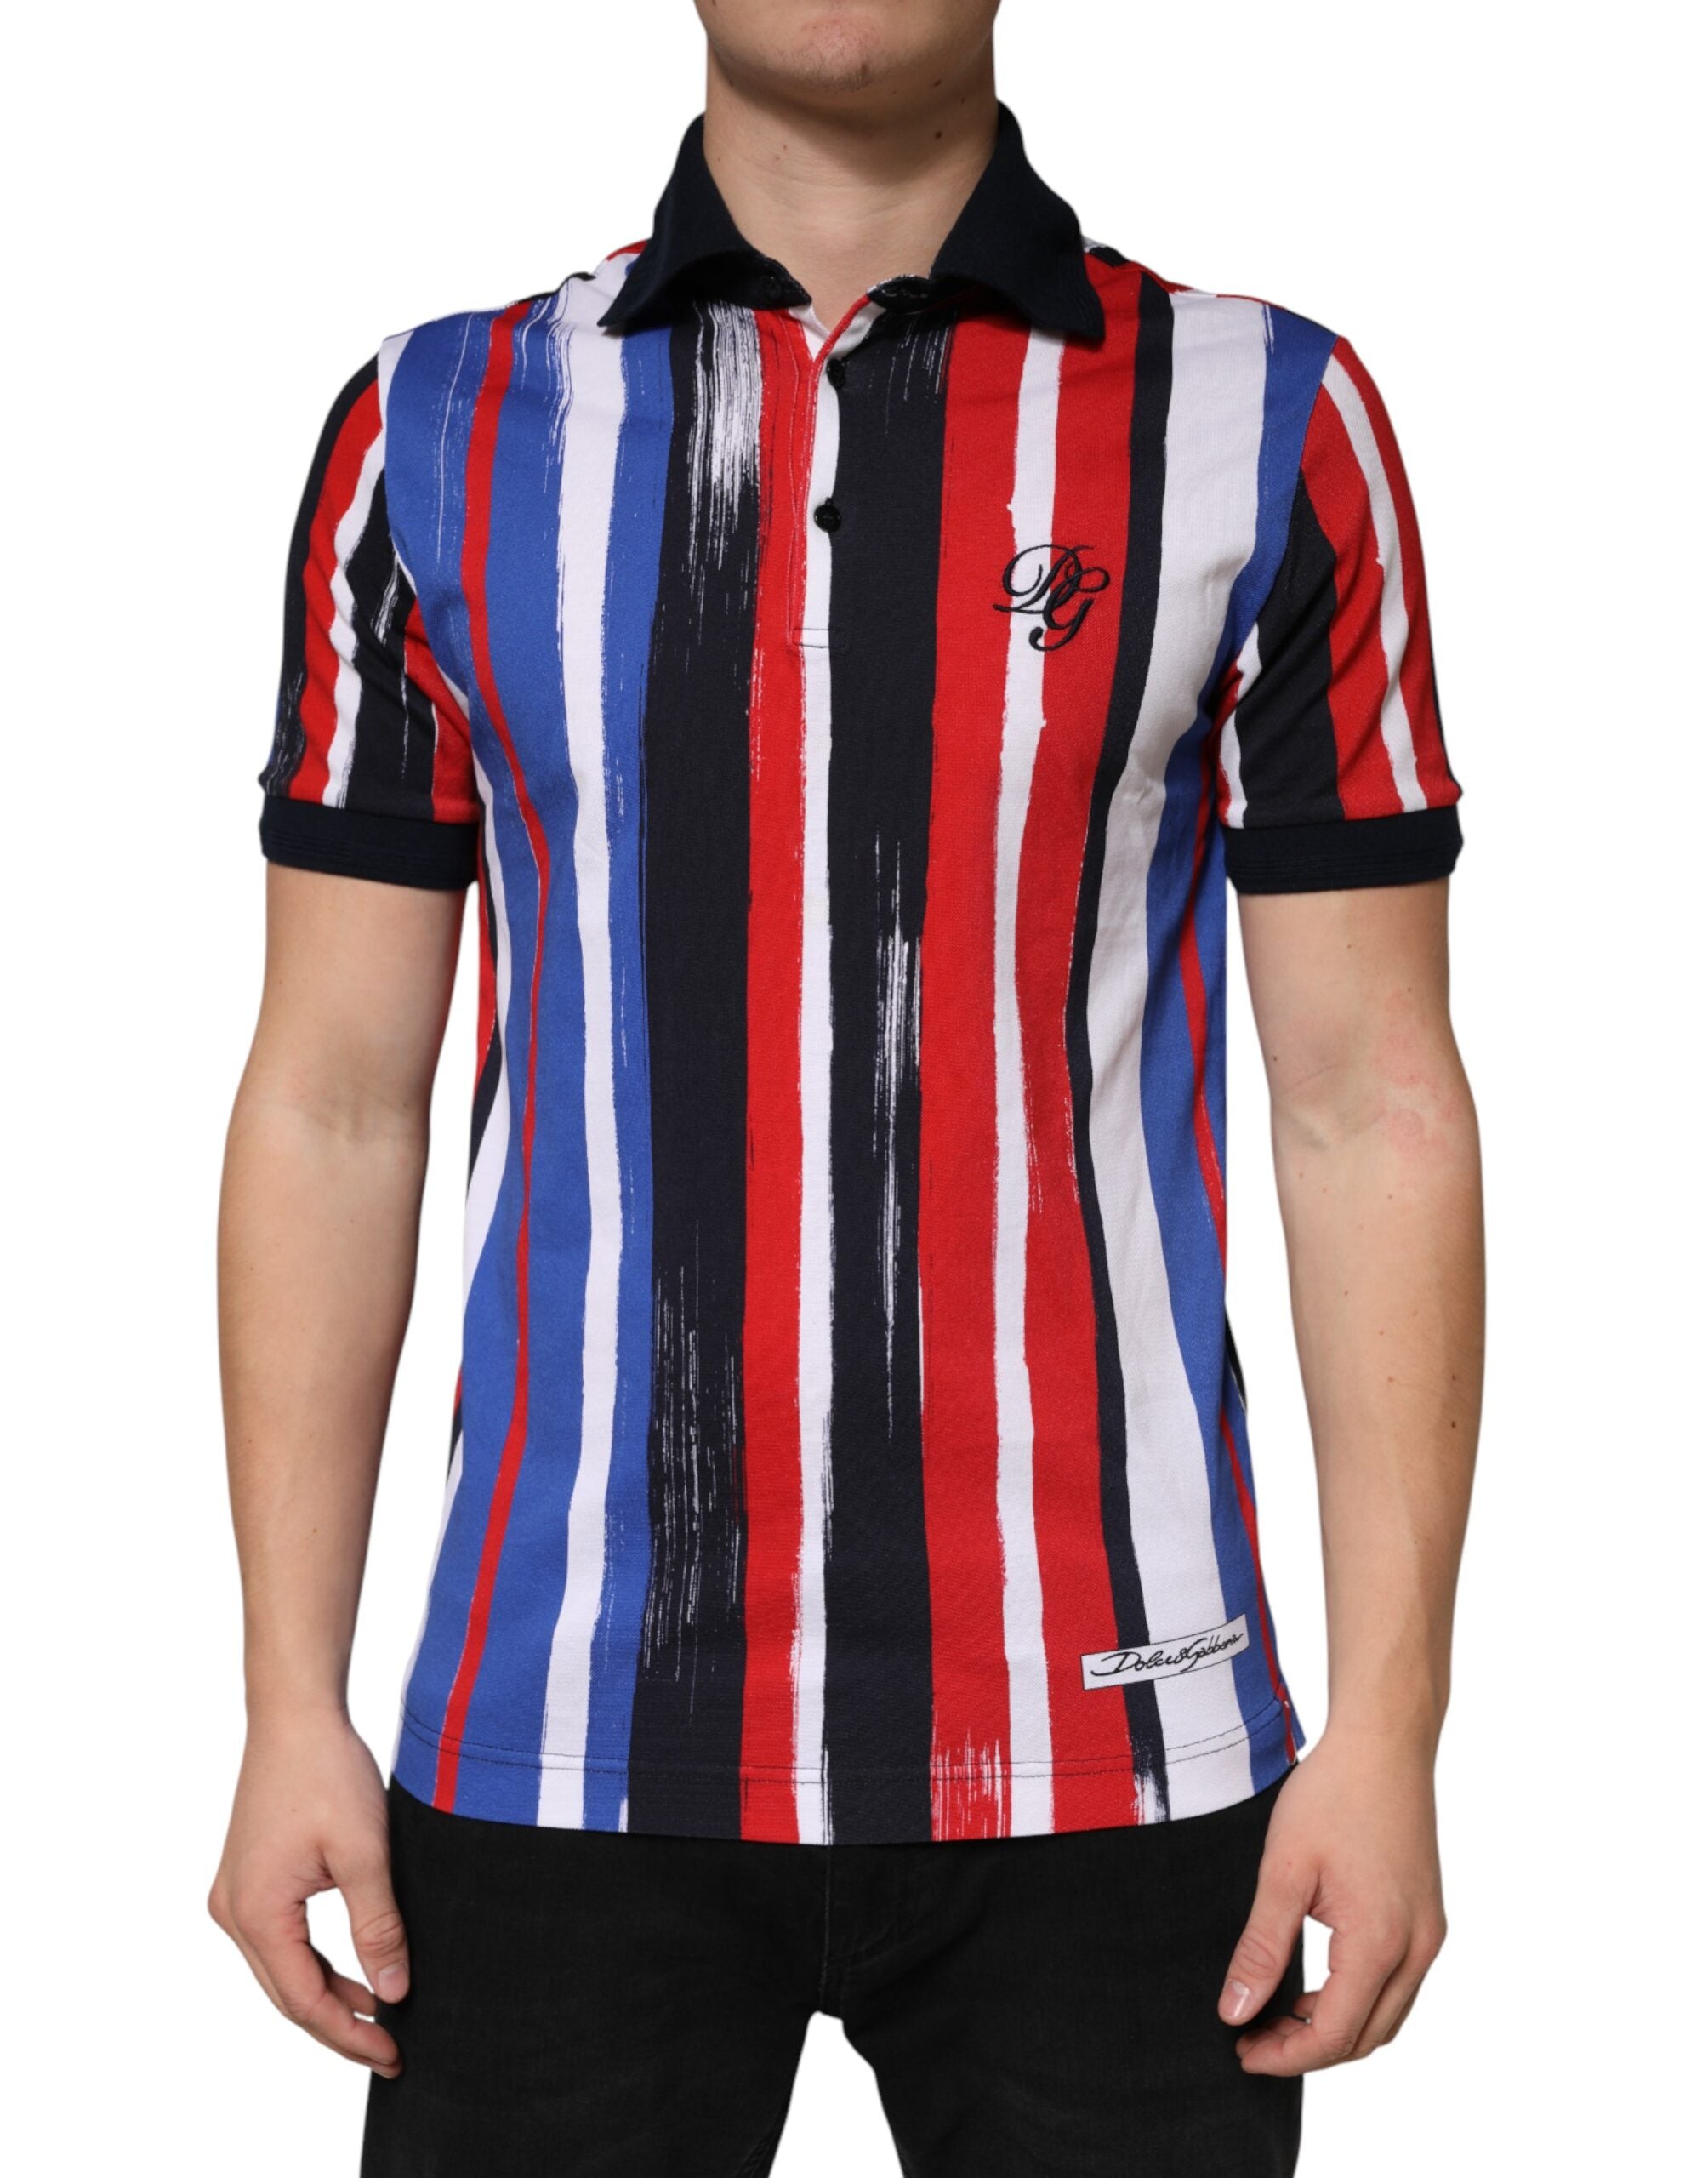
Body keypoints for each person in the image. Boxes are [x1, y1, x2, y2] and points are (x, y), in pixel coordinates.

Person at [209, 3, 1483, 2171]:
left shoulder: (1262, 417)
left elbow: (1366, 1094)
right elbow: (335, 1096)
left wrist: (1387, 1723)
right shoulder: (434, 428)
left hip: (1117, 1739)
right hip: (556, 1729)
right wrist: (284, 1698)